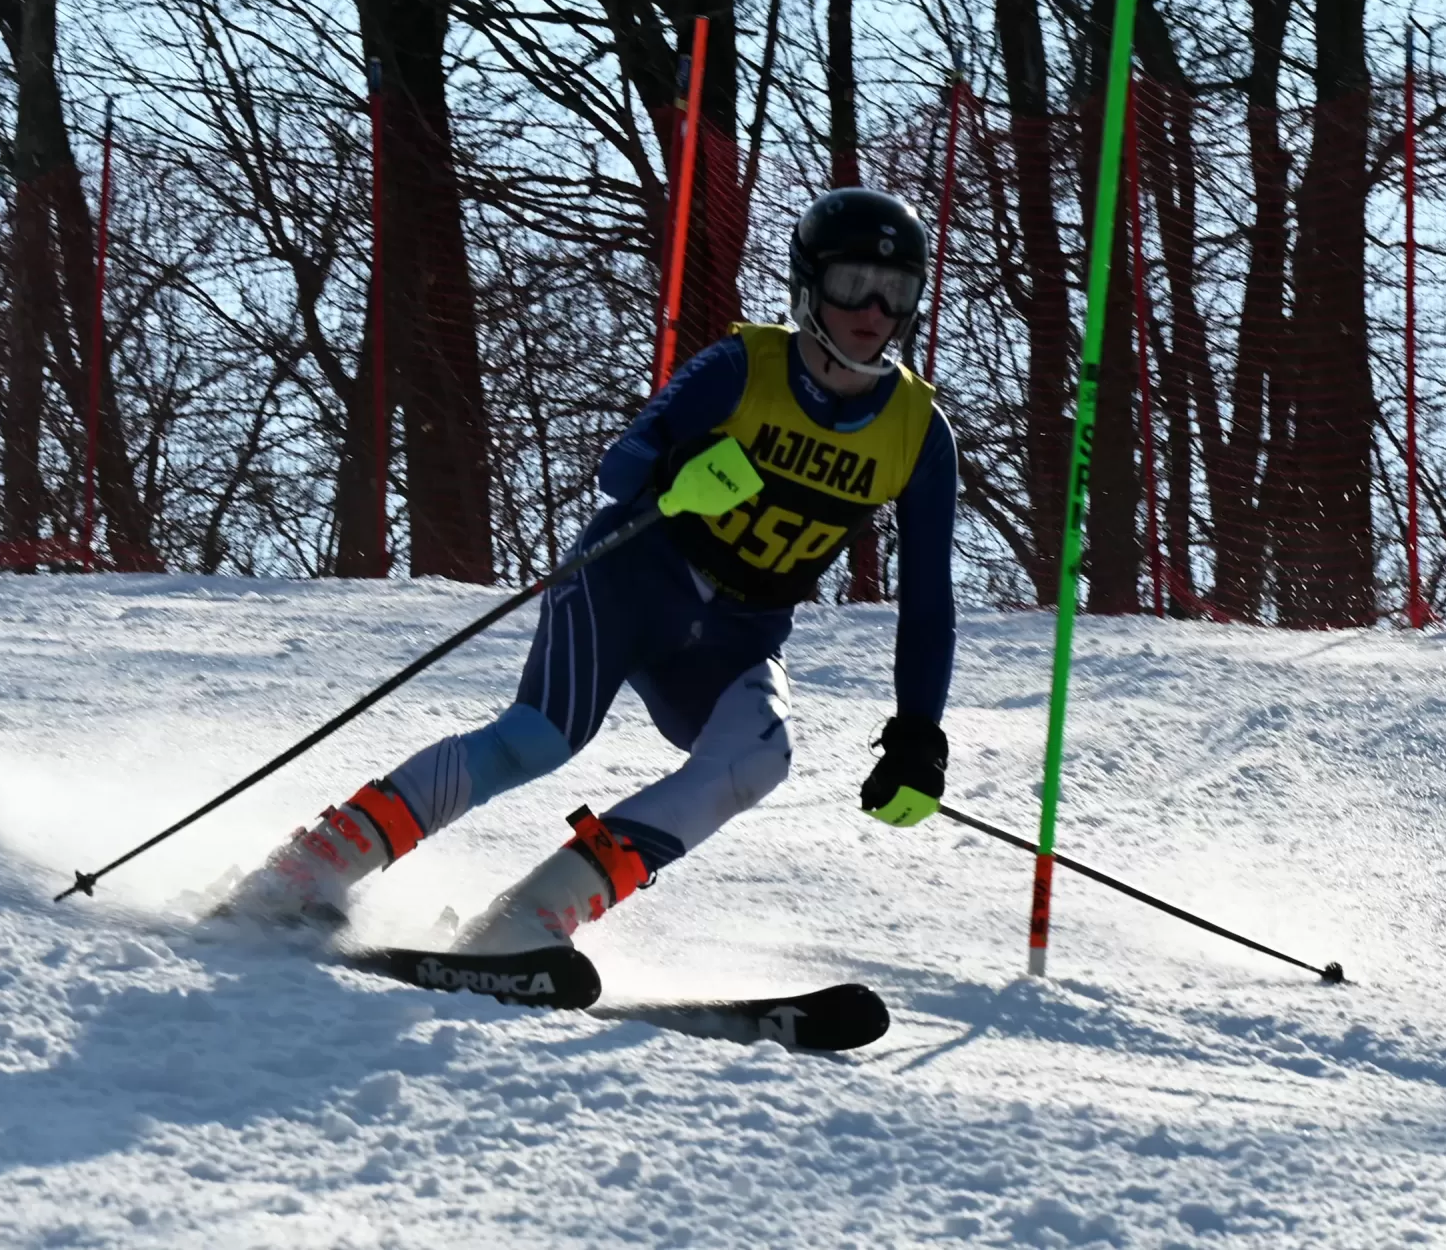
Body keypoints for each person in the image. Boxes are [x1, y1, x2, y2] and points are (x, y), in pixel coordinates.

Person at [222, 186, 959, 953]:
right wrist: (678, 472)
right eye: (851, 283)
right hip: (630, 582)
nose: (873, 309)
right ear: (809, 284)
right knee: (540, 737)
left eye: (895, 290)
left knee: (756, 760)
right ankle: (312, 866)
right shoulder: (743, 367)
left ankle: (529, 919)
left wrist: (918, 735)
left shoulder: (918, 432)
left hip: (737, 634)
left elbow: (928, 603)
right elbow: (622, 465)